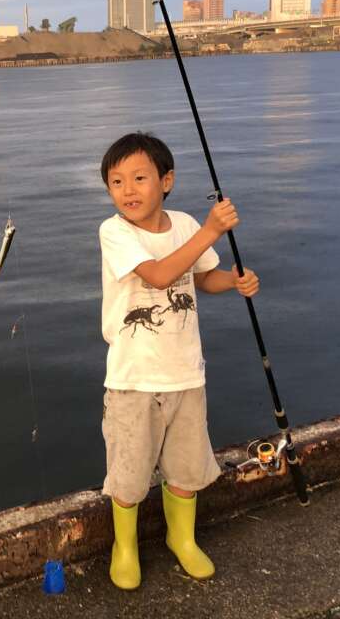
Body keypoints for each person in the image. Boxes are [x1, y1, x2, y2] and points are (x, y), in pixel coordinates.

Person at [98, 131, 260, 590]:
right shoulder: (114, 232)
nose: (128, 190)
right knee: (128, 477)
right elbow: (160, 274)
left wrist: (235, 280)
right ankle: (124, 547)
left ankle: (181, 539)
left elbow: (201, 276)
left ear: (166, 180)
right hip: (132, 381)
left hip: (187, 375)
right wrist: (213, 230)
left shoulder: (186, 224)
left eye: (140, 178)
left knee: (187, 470)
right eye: (116, 181)